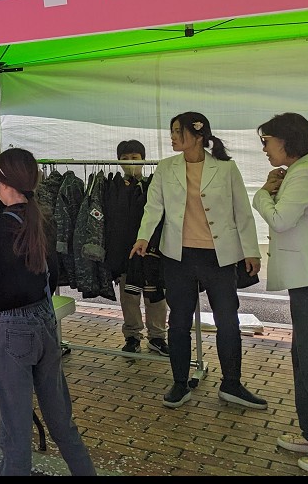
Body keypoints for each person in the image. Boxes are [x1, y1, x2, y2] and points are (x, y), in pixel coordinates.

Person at [0, 148, 97, 476]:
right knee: (63, 425)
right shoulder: (43, 218)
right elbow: (52, 272)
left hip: (11, 334)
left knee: (16, 435)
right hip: (46, 326)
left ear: (2, 185)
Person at [130, 112, 265, 410]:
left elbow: (241, 211)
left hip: (220, 256)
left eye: (179, 131)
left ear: (199, 134)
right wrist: (143, 237)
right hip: (178, 256)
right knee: (178, 321)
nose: (173, 136)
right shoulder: (166, 168)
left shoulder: (226, 168)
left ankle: (232, 383)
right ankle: (180, 383)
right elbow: (154, 207)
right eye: (172, 131)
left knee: (227, 321)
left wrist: (251, 251)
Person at [252, 113, 308, 477]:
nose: (264, 149)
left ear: (286, 141)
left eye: (267, 142)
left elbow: (281, 220)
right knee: (306, 361)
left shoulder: (305, 173)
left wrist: (262, 194)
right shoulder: (303, 171)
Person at [113, 140, 168, 356]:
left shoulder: (154, 185)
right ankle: (132, 336)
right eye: (124, 159)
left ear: (143, 159)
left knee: (156, 295)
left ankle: (157, 337)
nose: (130, 163)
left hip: (154, 251)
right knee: (129, 297)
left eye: (135, 158)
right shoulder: (114, 188)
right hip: (126, 251)